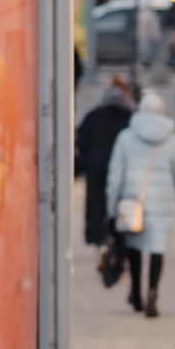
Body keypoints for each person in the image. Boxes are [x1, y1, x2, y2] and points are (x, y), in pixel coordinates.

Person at [107, 90, 175, 317]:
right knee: (157, 250)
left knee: (134, 249)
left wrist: (112, 206)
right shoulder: (172, 140)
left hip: (133, 203)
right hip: (163, 204)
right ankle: (153, 292)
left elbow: (115, 176)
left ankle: (136, 292)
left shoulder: (125, 137)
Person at [74, 77, 134, 266]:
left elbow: (81, 140)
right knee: (118, 205)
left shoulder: (94, 115)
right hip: (122, 171)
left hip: (96, 168)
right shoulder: (129, 116)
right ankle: (118, 242)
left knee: (97, 204)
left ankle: (100, 242)